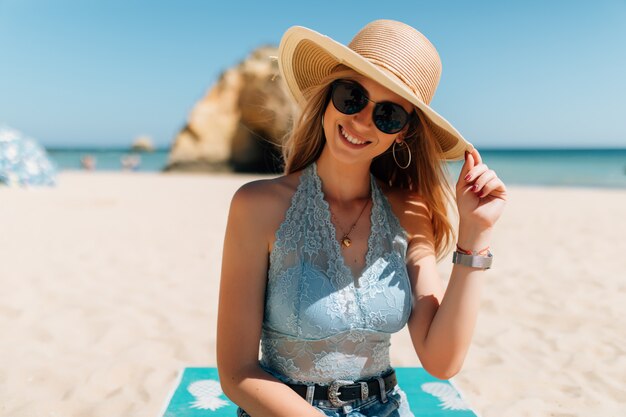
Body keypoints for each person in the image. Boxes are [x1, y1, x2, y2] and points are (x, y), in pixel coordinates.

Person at [217, 20, 507, 416]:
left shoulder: (411, 211)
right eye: (352, 96)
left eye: (388, 115)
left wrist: (475, 236)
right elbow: (237, 372)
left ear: (403, 133)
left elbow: (442, 361)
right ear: (329, 95)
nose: (361, 121)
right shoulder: (256, 206)